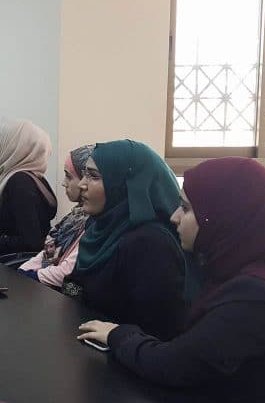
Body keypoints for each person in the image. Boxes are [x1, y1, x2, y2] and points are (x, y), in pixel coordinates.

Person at [78, 157, 265, 403]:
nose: (174, 217)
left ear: (224, 217)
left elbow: (175, 366)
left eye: (185, 208)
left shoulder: (257, 294)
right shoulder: (236, 268)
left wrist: (118, 335)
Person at [63, 140, 188, 340]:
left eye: (94, 176)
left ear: (125, 185)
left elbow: (157, 333)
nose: (82, 184)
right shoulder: (99, 227)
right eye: (84, 174)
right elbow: (77, 286)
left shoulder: (151, 244)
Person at [0, 118, 56, 258]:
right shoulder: (32, 177)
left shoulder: (19, 183)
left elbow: (30, 244)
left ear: (14, 147)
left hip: (11, 266)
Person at [17, 145, 93, 287]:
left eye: (69, 176)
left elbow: (66, 272)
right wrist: (23, 270)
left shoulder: (93, 223)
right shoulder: (76, 216)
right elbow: (46, 253)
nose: (64, 183)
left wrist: (30, 275)